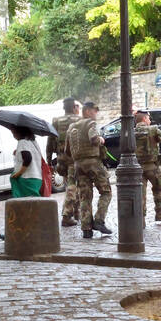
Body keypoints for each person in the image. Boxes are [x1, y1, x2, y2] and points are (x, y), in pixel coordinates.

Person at [64, 101, 112, 238]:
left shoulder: (71, 127)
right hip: (93, 163)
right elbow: (94, 139)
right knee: (106, 192)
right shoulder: (90, 123)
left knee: (85, 196)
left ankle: (86, 228)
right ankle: (99, 220)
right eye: (94, 110)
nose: (95, 113)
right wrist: (101, 140)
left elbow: (67, 150)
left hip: (78, 165)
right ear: (86, 111)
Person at [47, 97, 80, 226]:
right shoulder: (79, 120)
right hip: (74, 159)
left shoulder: (56, 121)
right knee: (72, 186)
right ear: (73, 107)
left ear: (63, 108)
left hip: (61, 159)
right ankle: (66, 215)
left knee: (70, 185)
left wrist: (49, 160)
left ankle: (76, 213)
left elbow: (50, 142)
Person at [9, 126, 44, 198]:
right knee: (34, 203)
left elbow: (28, 159)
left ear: (19, 132)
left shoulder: (22, 142)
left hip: (27, 179)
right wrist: (18, 153)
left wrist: (18, 173)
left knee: (28, 205)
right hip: (36, 178)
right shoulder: (33, 142)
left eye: (13, 133)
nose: (13, 136)